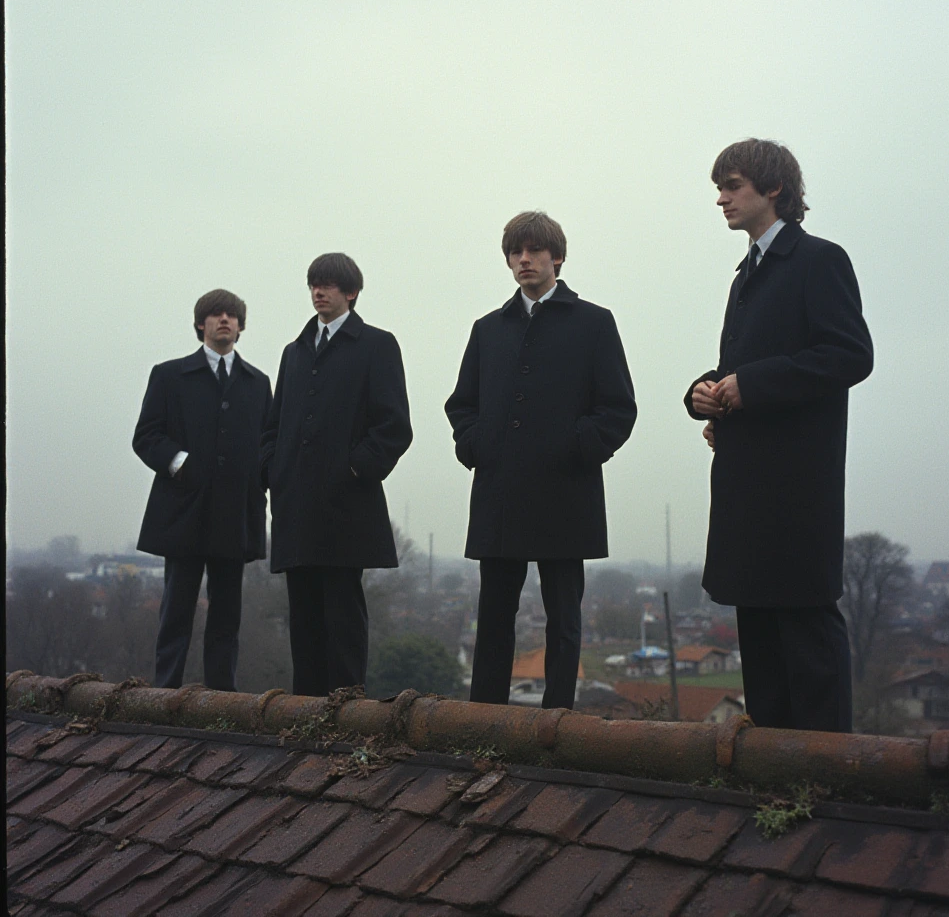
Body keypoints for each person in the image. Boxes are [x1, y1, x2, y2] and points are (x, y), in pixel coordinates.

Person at [683, 138, 873, 732]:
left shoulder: (820, 259)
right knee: (759, 632)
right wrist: (708, 394)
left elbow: (849, 355)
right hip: (747, 479)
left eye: (732, 186)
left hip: (796, 486)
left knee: (806, 631)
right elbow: (746, 367)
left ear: (774, 190)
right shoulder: (745, 275)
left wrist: (752, 386)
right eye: (719, 187)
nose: (721, 199)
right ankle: (773, 785)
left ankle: (827, 784)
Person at [446, 211, 637, 710]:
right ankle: (482, 720)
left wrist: (576, 447)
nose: (524, 259)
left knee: (564, 620)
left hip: (565, 491)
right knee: (493, 619)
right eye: (515, 252)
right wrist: (476, 445)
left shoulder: (594, 322)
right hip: (500, 491)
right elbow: (461, 404)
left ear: (557, 256)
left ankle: (558, 723)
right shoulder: (488, 329)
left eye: (533, 250)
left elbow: (618, 409)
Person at [261, 253, 412, 697]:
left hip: (348, 504)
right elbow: (272, 427)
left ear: (351, 293)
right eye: (313, 284)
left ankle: (346, 711)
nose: (318, 292)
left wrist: (352, 468)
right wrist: (273, 471)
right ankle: (303, 713)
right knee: (302, 615)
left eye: (327, 284)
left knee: (343, 613)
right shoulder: (294, 352)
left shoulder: (377, 345)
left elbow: (394, 427)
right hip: (294, 504)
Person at [134, 289, 273, 691]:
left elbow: (268, 443)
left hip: (237, 512)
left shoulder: (258, 383)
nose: (224, 320)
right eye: (215, 314)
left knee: (227, 615)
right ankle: (163, 692)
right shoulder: (169, 375)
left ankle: (221, 698)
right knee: (176, 609)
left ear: (241, 326)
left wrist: (259, 485)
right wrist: (181, 464)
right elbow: (146, 436)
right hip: (184, 510)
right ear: (201, 324)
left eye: (232, 315)